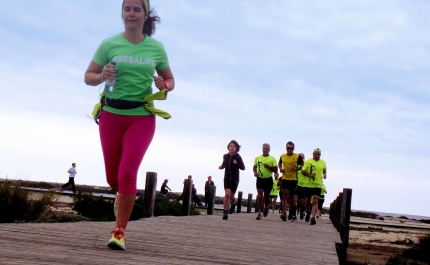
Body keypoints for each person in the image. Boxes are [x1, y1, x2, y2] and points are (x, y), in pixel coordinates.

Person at [84, 0, 175, 251]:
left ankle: (119, 232)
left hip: (141, 117)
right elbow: (88, 77)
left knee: (127, 174)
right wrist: (102, 75)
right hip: (111, 115)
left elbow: (170, 80)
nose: (131, 13)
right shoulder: (109, 44)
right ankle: (120, 199)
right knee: (114, 179)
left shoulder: (156, 48)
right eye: (127, 9)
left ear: (145, 15)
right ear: (122, 13)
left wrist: (163, 85)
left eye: (137, 9)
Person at [218, 140, 245, 220]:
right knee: (227, 195)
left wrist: (236, 163)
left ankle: (234, 203)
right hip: (226, 178)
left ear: (236, 148)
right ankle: (225, 212)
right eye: (230, 146)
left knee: (232, 196)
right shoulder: (225, 156)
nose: (232, 148)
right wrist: (221, 167)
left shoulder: (238, 156)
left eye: (234, 146)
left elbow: (243, 167)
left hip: (234, 179)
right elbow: (224, 164)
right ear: (228, 147)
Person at [278, 141, 303, 222]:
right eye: (288, 148)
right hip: (285, 178)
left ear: (293, 149)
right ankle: (284, 213)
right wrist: (280, 168)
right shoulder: (282, 156)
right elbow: (279, 163)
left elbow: (303, 165)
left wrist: (297, 168)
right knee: (284, 195)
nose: (289, 150)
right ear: (286, 148)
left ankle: (292, 211)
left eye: (291, 148)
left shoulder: (297, 156)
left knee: (292, 197)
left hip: (293, 179)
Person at [301, 148, 327, 225]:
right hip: (309, 184)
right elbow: (303, 171)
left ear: (320, 155)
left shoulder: (323, 162)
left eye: (318, 154)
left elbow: (324, 169)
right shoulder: (308, 161)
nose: (317, 155)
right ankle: (308, 211)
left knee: (315, 200)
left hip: (318, 185)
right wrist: (309, 175)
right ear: (313, 154)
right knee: (308, 201)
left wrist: (325, 174)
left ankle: (313, 218)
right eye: (315, 154)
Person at [253, 143, 278, 220]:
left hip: (268, 179)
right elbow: (254, 167)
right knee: (260, 195)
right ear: (262, 149)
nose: (265, 150)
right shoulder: (257, 158)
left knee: (266, 197)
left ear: (269, 150)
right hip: (260, 178)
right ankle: (259, 213)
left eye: (266, 148)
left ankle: (266, 206)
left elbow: (276, 170)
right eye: (264, 148)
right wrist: (255, 172)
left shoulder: (272, 159)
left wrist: (268, 167)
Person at [295, 153, 308, 220]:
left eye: (302, 157)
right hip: (295, 185)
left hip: (303, 186)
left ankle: (302, 211)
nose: (300, 158)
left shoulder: (306, 165)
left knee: (303, 202)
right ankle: (293, 215)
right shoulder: (295, 164)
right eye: (299, 157)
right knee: (295, 200)